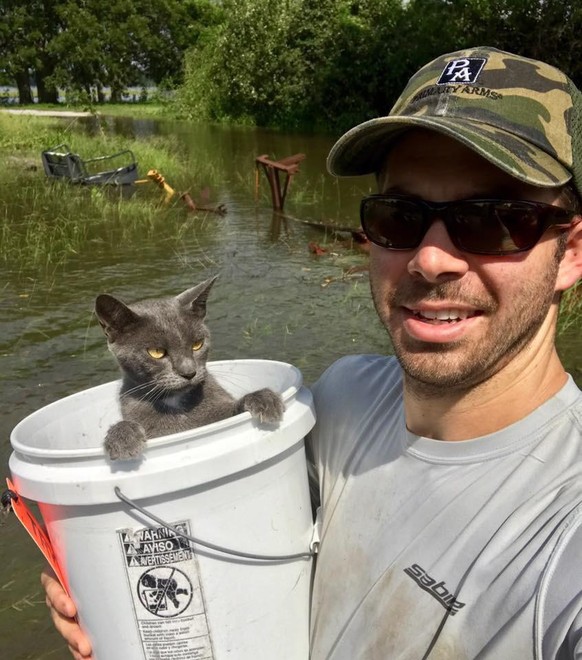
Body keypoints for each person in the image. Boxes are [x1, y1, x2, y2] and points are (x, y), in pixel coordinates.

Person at [42, 46, 582, 659]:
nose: (432, 259)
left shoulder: (566, 532)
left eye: (493, 219)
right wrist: (113, 586)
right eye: (399, 216)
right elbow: (217, 521)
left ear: (570, 253)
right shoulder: (341, 396)